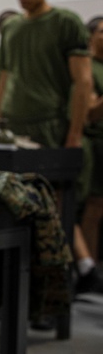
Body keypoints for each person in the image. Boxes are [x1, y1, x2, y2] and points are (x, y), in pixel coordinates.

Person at [0, 0, 101, 294]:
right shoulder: (12, 29)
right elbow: (5, 78)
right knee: (19, 211)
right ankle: (22, 287)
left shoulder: (65, 22)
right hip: (16, 130)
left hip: (52, 129)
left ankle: (56, 287)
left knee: (53, 214)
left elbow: (82, 82)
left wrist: (72, 135)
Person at [82, 16, 103, 266]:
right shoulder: (88, 67)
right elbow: (90, 112)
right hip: (97, 144)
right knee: (95, 207)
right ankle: (89, 268)